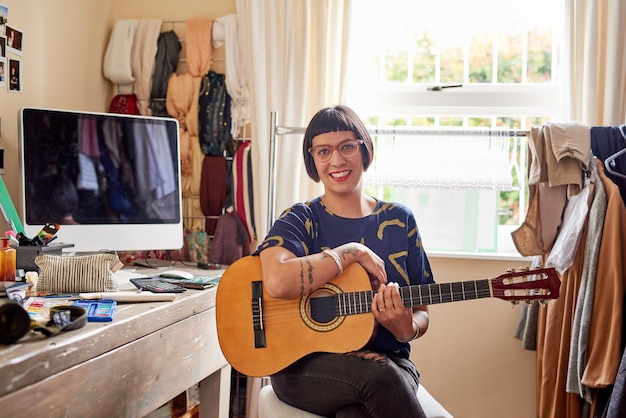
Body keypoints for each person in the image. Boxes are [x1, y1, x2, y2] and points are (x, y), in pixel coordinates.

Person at [254, 105, 435, 417]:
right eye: (323, 151)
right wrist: (352, 252)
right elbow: (276, 280)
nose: (336, 160)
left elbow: (422, 311)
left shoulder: (400, 220)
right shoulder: (301, 218)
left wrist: (406, 329)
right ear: (312, 160)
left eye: (347, 147)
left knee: (360, 410)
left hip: (390, 359)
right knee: (380, 378)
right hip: (303, 365)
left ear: (364, 150)